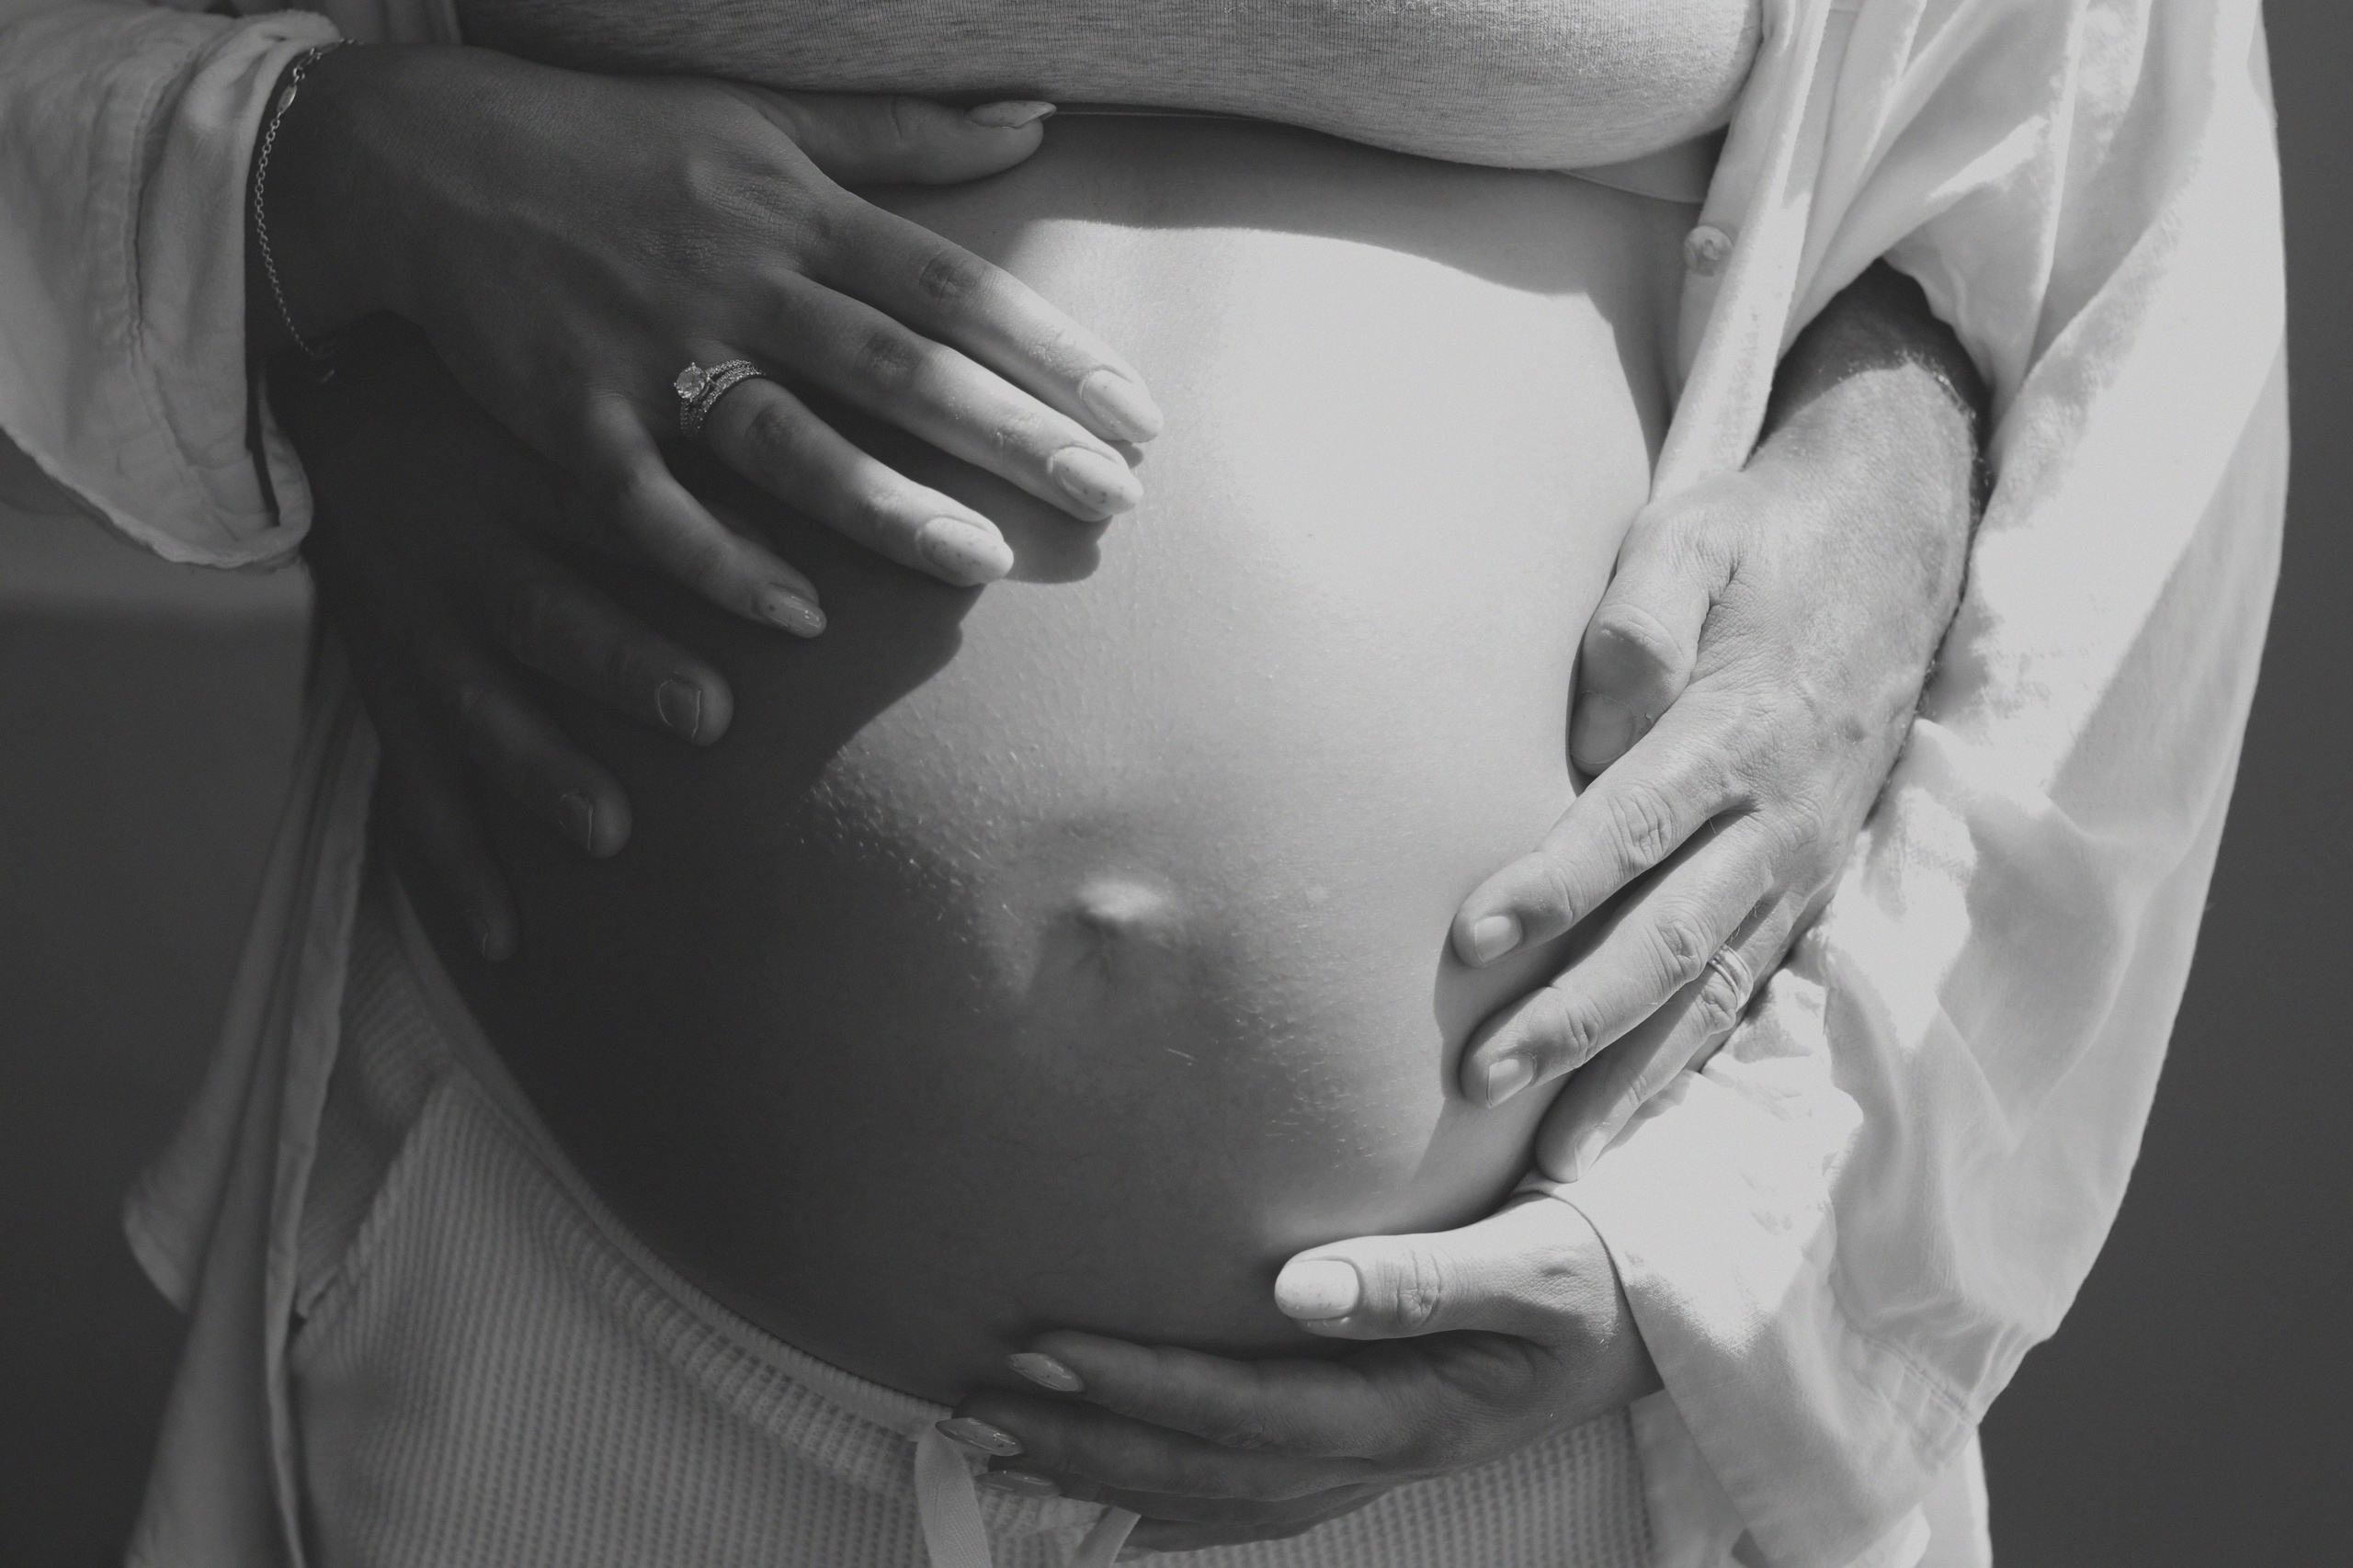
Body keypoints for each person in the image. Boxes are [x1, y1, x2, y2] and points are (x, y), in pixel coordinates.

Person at [0, 4, 2285, 1567]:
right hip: (568, 1329)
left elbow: (2112, 281)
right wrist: (323, 190)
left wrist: (1733, 1250)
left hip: (1520, 1428)